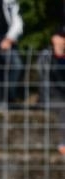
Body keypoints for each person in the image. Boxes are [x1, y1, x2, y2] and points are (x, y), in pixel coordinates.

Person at [37, 2, 65, 155]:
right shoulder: (47, 57)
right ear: (54, 39)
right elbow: (48, 78)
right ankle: (63, 144)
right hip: (51, 96)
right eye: (60, 38)